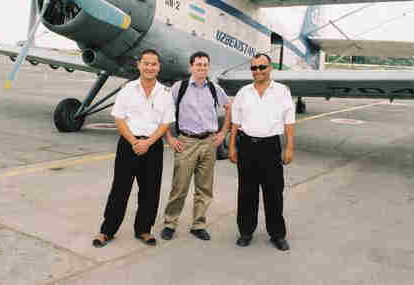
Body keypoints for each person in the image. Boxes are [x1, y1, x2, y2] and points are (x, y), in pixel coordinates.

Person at [93, 49, 175, 247]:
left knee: (150, 191)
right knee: (120, 189)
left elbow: (165, 123)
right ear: (139, 65)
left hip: (153, 146)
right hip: (128, 145)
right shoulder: (128, 89)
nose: (149, 67)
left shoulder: (165, 93)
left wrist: (148, 142)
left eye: (154, 64)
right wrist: (133, 141)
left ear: (159, 67)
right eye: (146, 63)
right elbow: (118, 118)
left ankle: (144, 230)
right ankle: (107, 231)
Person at [161, 51, 231, 241]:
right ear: (191, 67)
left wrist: (223, 133)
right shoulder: (179, 87)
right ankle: (170, 223)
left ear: (208, 67)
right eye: (198, 65)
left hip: (209, 143)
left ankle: (198, 225)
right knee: (179, 186)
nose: (202, 68)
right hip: (187, 142)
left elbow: (229, 107)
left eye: (205, 65)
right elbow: (165, 110)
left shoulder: (215, 89)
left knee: (204, 188)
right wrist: (169, 137)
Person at [228, 52, 295, 251]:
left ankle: (277, 234)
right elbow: (236, 122)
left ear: (270, 68)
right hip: (247, 146)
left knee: (273, 192)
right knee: (246, 192)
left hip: (270, 147)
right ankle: (246, 232)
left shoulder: (282, 91)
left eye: (262, 67)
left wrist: (289, 147)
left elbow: (289, 121)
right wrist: (232, 146)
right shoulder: (243, 92)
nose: (258, 71)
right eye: (254, 68)